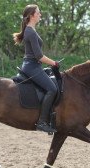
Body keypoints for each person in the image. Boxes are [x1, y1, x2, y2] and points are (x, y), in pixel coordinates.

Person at [13, 4, 59, 133]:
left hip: (33, 65)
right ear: (32, 16)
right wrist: (53, 63)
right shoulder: (30, 32)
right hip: (32, 66)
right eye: (38, 13)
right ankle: (42, 122)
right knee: (52, 89)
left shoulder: (31, 30)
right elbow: (39, 56)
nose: (40, 15)